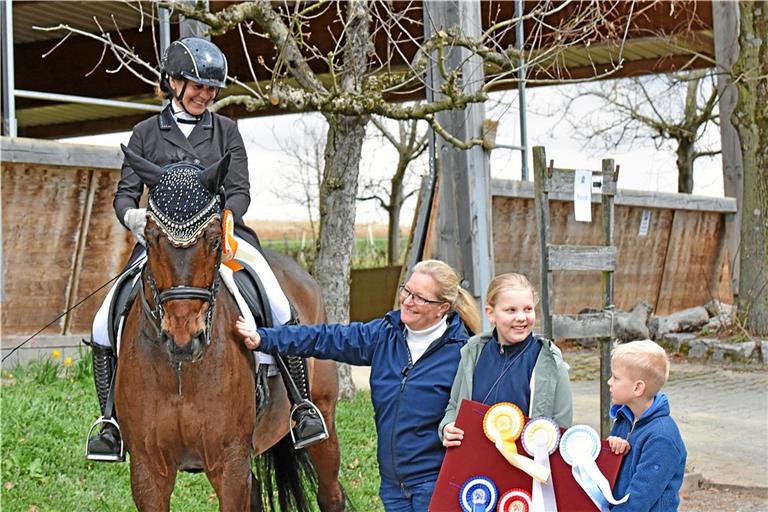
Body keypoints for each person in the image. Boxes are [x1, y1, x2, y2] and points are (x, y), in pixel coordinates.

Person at [85, 36, 326, 461]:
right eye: (197, 86)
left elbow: (240, 192)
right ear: (174, 82)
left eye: (212, 89)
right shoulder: (145, 134)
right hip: (161, 246)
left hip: (220, 239)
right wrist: (134, 219)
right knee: (104, 320)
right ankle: (110, 422)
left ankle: (301, 406)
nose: (205, 96)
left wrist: (221, 221)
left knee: (279, 302)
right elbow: (125, 195)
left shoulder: (226, 131)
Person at [236, 260, 481, 512]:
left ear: (442, 308)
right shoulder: (385, 334)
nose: (407, 301)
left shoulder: (465, 353)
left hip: (435, 482)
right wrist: (264, 337)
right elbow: (324, 338)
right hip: (393, 486)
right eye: (407, 291)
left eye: (419, 298)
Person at [440, 272, 572, 448]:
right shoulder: (472, 352)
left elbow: (561, 428)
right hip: (474, 466)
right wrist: (447, 427)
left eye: (528, 309)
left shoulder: (552, 363)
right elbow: (453, 406)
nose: (521, 317)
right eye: (511, 310)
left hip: (525, 469)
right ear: (491, 313)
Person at [605, 339, 687, 512]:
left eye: (616, 377)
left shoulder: (661, 438)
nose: (609, 382)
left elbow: (638, 500)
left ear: (637, 388)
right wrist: (611, 449)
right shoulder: (624, 418)